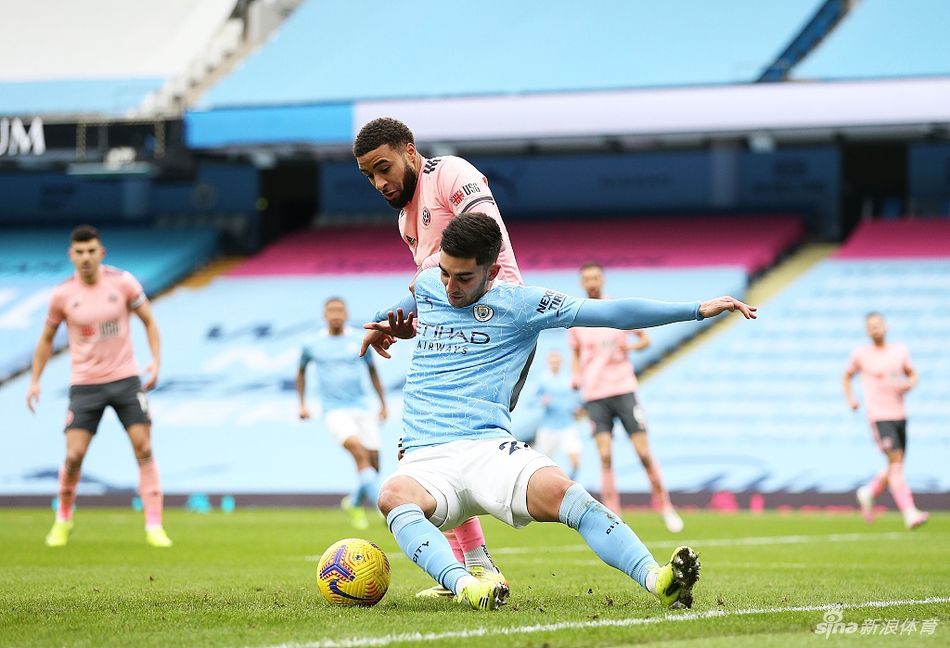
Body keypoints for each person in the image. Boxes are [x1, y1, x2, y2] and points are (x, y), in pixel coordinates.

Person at [362, 212, 756, 610]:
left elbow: (611, 314)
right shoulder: (430, 285)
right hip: (427, 454)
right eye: (445, 273)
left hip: (488, 448)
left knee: (571, 496)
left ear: (493, 270)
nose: (450, 287)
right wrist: (384, 323)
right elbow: (409, 300)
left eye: (463, 278)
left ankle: (659, 581)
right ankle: (467, 585)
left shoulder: (523, 304)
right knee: (392, 494)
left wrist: (695, 309)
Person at [354, 116, 516, 597]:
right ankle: (477, 569)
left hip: (499, 326)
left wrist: (412, 296)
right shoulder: (405, 221)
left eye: (384, 168)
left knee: (438, 453)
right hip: (455, 337)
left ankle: (481, 567)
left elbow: (486, 231)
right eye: (370, 176)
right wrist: (398, 320)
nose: (380, 183)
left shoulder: (449, 174)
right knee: (419, 455)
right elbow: (443, 292)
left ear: (409, 150)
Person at [26, 225, 171, 548]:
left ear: (101, 253)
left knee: (144, 447)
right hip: (85, 384)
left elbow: (149, 320)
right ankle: (63, 519)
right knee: (74, 455)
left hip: (125, 378)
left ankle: (154, 526)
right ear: (71, 256)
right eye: (79, 252)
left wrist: (156, 361)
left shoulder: (122, 283)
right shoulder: (62, 294)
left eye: (91, 250)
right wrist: (35, 380)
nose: (86, 257)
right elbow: (47, 339)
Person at [568, 262, 684, 533]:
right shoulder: (577, 318)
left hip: (623, 389)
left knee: (643, 452)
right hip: (595, 395)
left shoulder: (617, 309)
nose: (591, 282)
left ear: (603, 279)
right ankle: (615, 518)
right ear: (581, 283)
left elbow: (645, 340)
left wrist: (629, 345)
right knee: (605, 456)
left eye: (595, 277)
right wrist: (574, 377)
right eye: (587, 278)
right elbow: (575, 354)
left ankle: (665, 505)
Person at [297, 297, 388, 530]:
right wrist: (302, 404)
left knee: (374, 462)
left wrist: (382, 404)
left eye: (340, 310)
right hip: (333, 411)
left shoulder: (359, 338)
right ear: (324, 315)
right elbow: (301, 372)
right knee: (358, 452)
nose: (336, 314)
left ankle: (354, 502)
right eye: (331, 310)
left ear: (346, 314)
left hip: (361, 407)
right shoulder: (312, 344)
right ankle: (383, 509)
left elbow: (372, 371)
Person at [844, 312, 928, 530]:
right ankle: (910, 513)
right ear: (866, 331)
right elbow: (846, 376)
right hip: (879, 416)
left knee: (895, 466)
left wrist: (910, 383)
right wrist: (851, 399)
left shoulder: (899, 351)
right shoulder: (861, 354)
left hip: (900, 414)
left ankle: (869, 491)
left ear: (885, 326)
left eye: (878, 325)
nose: (875, 329)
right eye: (871, 326)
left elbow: (912, 373)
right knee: (896, 465)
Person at [531, 349, 584, 480]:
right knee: (540, 466)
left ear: (561, 362)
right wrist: (541, 401)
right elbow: (529, 400)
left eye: (557, 361)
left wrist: (576, 408)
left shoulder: (568, 379)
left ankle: (568, 487)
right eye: (552, 361)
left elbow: (575, 399)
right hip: (548, 429)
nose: (555, 364)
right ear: (548, 363)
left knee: (576, 462)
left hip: (567, 427)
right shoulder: (542, 379)